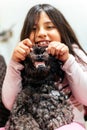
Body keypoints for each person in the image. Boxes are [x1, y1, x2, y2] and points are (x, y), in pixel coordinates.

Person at [1, 3, 87, 130]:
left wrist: (68, 60)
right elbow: (10, 103)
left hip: (68, 123)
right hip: (27, 124)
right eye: (34, 29)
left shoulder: (74, 54)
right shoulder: (23, 59)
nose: (41, 33)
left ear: (62, 31)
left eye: (50, 27)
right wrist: (14, 63)